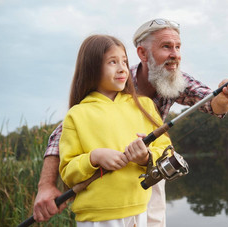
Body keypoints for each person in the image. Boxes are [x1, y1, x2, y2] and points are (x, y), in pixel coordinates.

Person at [33, 19, 228, 226]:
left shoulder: (177, 79)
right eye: (166, 47)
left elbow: (213, 103)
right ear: (142, 53)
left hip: (149, 173)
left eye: (178, 47)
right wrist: (46, 186)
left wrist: (227, 96)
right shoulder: (117, 80)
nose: (175, 54)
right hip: (102, 201)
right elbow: (61, 136)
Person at [58, 34, 171, 226]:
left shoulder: (144, 105)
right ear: (92, 68)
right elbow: (68, 172)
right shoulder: (77, 114)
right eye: (112, 62)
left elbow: (167, 151)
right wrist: (94, 157)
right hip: (97, 218)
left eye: (124, 62)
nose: (122, 69)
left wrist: (146, 157)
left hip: (140, 211)